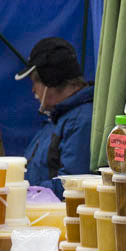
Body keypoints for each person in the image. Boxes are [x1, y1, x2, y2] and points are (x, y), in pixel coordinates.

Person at [23, 37, 94, 198]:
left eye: (36, 81)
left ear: (51, 80)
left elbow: (73, 184)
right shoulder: (59, 117)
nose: (33, 89)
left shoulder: (81, 121)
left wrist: (24, 192)